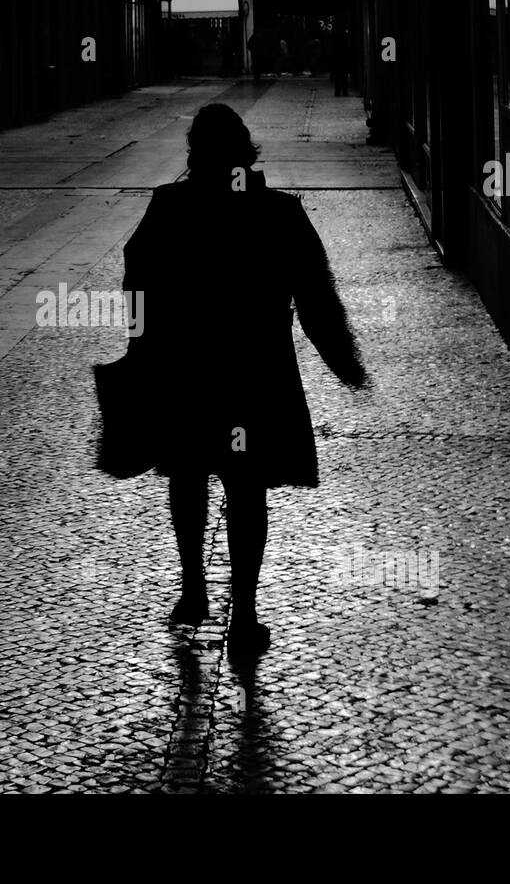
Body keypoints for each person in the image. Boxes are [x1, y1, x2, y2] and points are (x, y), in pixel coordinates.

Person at [117, 104, 370, 656]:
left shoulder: (170, 207)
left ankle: (192, 592)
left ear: (194, 154)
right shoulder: (279, 212)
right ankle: (246, 614)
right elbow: (315, 295)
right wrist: (344, 362)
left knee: (186, 476)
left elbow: (135, 279)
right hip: (256, 374)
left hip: (186, 372)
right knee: (246, 487)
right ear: (245, 151)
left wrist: (139, 346)